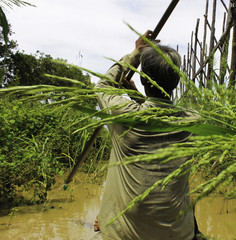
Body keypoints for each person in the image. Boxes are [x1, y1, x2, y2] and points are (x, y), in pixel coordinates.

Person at [95, 30, 204, 240]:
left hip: (124, 234)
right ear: (177, 81)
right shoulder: (194, 121)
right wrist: (136, 96)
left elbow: (103, 86)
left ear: (144, 79)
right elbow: (159, 118)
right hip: (178, 234)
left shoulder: (124, 115)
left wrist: (135, 53)